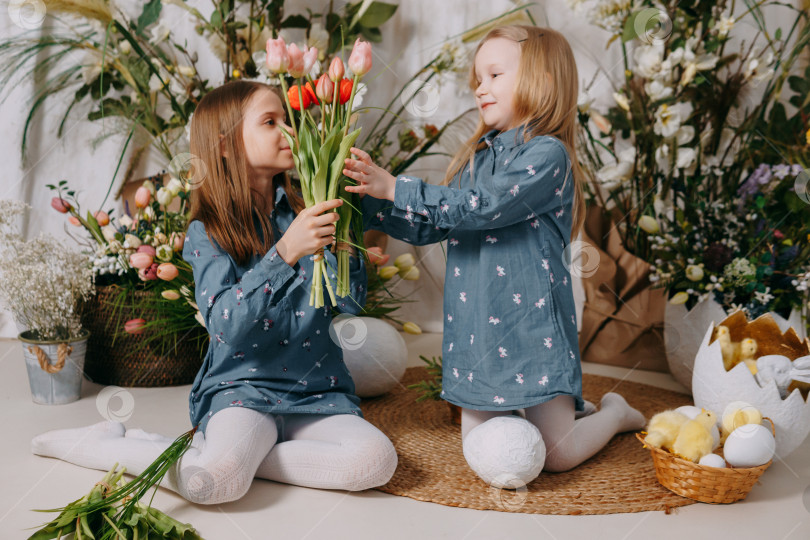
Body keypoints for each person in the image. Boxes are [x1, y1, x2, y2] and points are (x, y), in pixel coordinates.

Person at [31, 80, 397, 504]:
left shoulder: (308, 208)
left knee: (375, 462)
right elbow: (225, 326)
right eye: (269, 122)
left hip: (316, 389)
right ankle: (101, 444)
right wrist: (285, 252)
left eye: (287, 119)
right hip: (243, 391)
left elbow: (349, 303)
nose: (289, 131)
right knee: (212, 485)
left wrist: (348, 222)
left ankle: (229, 454)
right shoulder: (206, 232)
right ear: (224, 146)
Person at [343, 25, 645, 484]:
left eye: (494, 74)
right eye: (477, 80)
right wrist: (366, 206)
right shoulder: (478, 158)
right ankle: (534, 413)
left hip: (534, 328)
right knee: (488, 452)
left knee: (559, 454)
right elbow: (437, 221)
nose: (480, 88)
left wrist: (396, 186)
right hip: (479, 332)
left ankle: (615, 413)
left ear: (540, 80)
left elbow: (482, 207)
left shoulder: (548, 155)